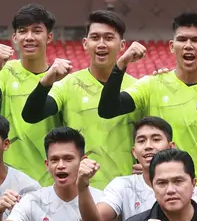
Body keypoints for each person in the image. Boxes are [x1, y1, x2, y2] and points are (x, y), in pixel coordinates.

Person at [99, 12, 197, 209]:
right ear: (171, 46)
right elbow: (107, 109)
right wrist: (121, 63)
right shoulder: (152, 84)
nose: (188, 45)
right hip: (158, 198)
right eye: (182, 40)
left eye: (196, 40)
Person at [21, 10, 140, 189]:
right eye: (95, 37)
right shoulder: (68, 84)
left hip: (126, 190)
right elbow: (32, 114)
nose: (101, 44)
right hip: (77, 190)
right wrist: (46, 81)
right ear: (85, 43)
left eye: (108, 38)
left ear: (122, 45)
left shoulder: (136, 88)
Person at [0, 4, 64, 185]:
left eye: (37, 31)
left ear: (49, 37)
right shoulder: (4, 71)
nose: (29, 37)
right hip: (8, 177)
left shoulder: (60, 78)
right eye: (23, 31)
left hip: (49, 179)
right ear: (14, 37)